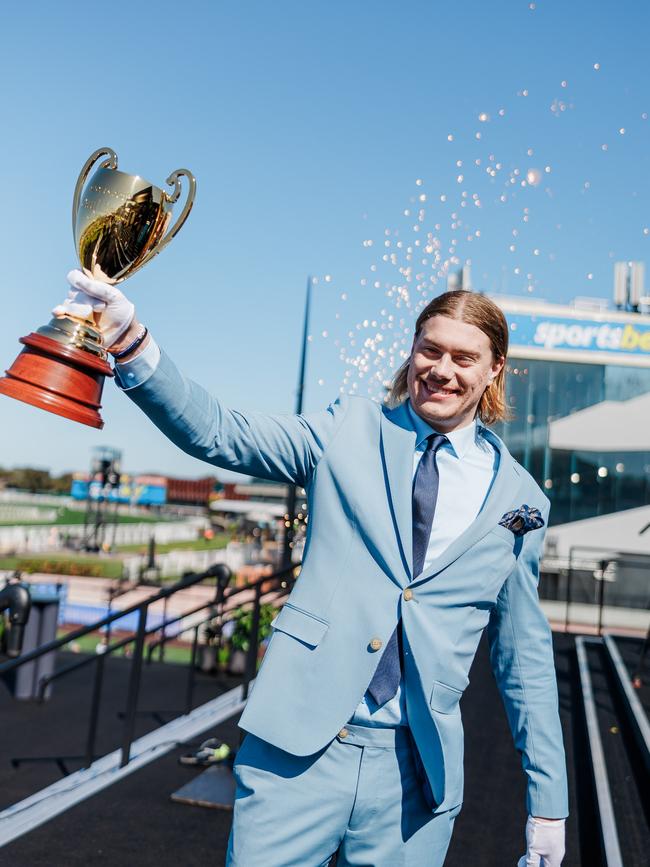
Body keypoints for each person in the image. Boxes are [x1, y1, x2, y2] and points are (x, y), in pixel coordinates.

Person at [55, 270, 569, 866]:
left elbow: (525, 659)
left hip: (416, 779)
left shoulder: (520, 501)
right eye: (430, 349)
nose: (442, 370)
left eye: (463, 357)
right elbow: (221, 433)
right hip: (296, 753)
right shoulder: (345, 428)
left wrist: (547, 803)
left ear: (493, 369)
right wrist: (131, 340)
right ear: (411, 351)